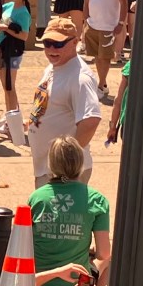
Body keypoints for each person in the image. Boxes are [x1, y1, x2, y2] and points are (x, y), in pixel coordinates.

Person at [24, 16, 101, 186]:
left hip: (63, 173)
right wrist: (32, 122)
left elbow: (91, 120)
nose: (52, 48)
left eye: (58, 44)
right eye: (47, 43)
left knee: (59, 213)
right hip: (47, 168)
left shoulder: (80, 78)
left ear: (75, 42)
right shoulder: (54, 66)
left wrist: (67, 164)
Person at [28, 136, 109, 286]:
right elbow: (103, 253)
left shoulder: (36, 198)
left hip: (39, 284)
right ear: (81, 163)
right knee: (109, 256)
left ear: (51, 164)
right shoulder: (96, 199)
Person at [82, 0, 128, 101]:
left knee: (105, 56)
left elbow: (124, 2)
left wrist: (121, 23)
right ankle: (103, 84)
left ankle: (101, 85)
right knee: (96, 56)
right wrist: (85, 20)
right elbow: (87, 1)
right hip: (93, 25)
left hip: (109, 26)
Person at [0, 0, 34, 142]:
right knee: (6, 87)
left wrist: (5, 29)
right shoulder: (8, 7)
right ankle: (9, 117)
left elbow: (24, 36)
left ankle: (13, 122)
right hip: (3, 50)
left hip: (14, 52)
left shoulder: (23, 12)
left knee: (10, 87)